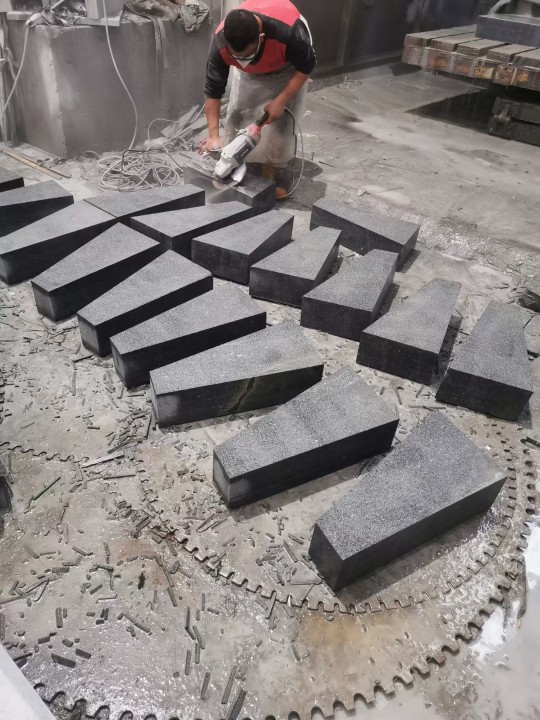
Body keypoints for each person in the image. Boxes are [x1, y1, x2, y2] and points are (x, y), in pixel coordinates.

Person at [203, 0, 316, 199]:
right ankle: (233, 166)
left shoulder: (291, 33)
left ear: (261, 37)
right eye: (237, 57)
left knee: (280, 123)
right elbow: (213, 91)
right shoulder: (221, 42)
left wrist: (281, 101)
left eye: (247, 56)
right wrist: (213, 136)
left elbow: (306, 67)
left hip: (288, 67)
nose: (242, 62)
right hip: (253, 69)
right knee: (239, 112)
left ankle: (271, 174)